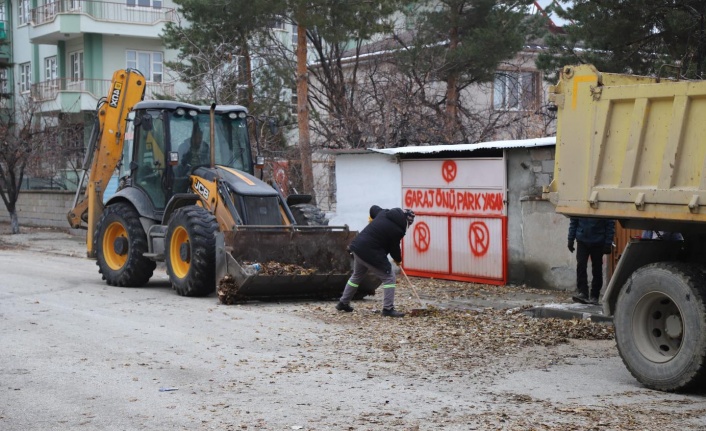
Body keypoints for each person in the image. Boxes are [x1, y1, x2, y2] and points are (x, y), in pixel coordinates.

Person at [336, 206, 415, 317]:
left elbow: (374, 208)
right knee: (389, 277)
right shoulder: (398, 230)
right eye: (410, 224)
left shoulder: (384, 213)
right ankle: (388, 309)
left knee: (357, 276)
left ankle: (343, 303)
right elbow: (394, 248)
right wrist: (398, 260)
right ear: (407, 221)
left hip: (357, 247)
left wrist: (372, 217)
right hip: (370, 252)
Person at [568, 217, 615, 305]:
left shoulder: (602, 205)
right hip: (582, 240)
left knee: (597, 269)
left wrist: (608, 243)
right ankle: (583, 293)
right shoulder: (580, 205)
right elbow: (574, 220)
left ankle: (594, 295)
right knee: (581, 265)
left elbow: (610, 223)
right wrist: (570, 239)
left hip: (598, 241)